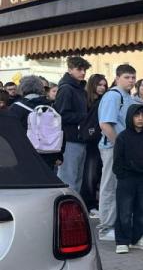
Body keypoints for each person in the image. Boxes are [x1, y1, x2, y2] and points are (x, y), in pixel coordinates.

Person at [97, 65, 137, 242]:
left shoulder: (126, 96)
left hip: (122, 148)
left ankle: (116, 225)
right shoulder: (113, 95)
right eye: (127, 77)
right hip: (113, 148)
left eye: (133, 77)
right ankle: (106, 228)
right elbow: (105, 124)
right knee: (110, 187)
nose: (131, 80)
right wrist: (120, 146)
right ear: (117, 77)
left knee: (120, 187)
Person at [112, 104, 143, 254]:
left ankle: (137, 239)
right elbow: (117, 160)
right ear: (130, 117)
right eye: (137, 115)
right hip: (127, 180)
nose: (140, 119)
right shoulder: (123, 137)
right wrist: (122, 175)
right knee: (124, 211)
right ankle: (122, 241)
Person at [5, 75, 61, 172]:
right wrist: (58, 155)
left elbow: (10, 132)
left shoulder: (16, 108)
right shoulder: (50, 106)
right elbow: (58, 129)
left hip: (24, 153)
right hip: (48, 153)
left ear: (22, 88)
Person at [54, 56, 92, 191]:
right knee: (68, 179)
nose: (83, 72)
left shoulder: (79, 88)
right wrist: (85, 117)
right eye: (79, 69)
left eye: (84, 70)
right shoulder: (66, 89)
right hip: (69, 139)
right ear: (70, 70)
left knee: (77, 179)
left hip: (79, 138)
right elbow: (61, 115)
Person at [80, 74, 108, 214]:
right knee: (90, 173)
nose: (102, 87)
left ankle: (92, 203)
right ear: (93, 85)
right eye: (99, 85)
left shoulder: (103, 100)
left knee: (97, 172)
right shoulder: (85, 100)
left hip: (100, 139)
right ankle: (89, 204)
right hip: (91, 140)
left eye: (104, 85)